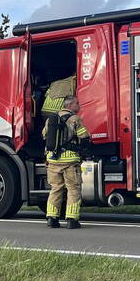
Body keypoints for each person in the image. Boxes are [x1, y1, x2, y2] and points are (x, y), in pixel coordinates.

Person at [43, 95, 90, 229]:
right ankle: (71, 219)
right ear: (69, 105)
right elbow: (84, 137)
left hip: (52, 160)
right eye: (77, 103)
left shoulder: (50, 119)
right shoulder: (75, 119)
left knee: (55, 188)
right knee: (73, 189)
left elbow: (44, 135)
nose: (79, 106)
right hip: (69, 161)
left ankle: (52, 218)